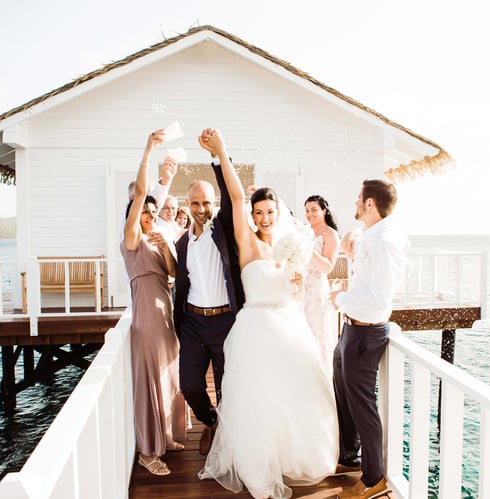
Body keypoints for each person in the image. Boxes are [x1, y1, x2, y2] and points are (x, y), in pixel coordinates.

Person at [197, 128, 338, 499]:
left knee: (295, 393)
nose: (263, 218)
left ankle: (291, 458)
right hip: (255, 328)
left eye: (269, 212)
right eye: (258, 213)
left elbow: (295, 290)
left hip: (288, 324)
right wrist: (223, 151)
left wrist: (294, 278)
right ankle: (259, 466)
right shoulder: (246, 241)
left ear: (279, 213)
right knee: (256, 398)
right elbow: (236, 194)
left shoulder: (290, 246)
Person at [328, 179, 407, 499]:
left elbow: (379, 300)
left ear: (370, 204)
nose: (355, 202)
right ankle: (350, 455)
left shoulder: (384, 241)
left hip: (365, 332)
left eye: (359, 198)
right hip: (350, 329)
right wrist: (353, 240)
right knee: (342, 391)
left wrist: (340, 299)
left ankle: (374, 478)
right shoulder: (371, 235)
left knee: (363, 407)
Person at [120, 129, 188, 476]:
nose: (149, 216)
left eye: (152, 213)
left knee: (169, 375)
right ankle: (148, 451)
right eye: (144, 211)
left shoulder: (157, 239)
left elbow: (174, 273)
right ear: (135, 212)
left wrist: (165, 246)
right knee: (149, 381)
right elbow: (144, 191)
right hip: (146, 315)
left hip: (166, 314)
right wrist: (148, 148)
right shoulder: (131, 241)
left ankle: (168, 434)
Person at [173, 133, 245, 457]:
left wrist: (218, 156)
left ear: (214, 204)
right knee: (189, 384)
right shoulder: (181, 243)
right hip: (193, 324)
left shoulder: (224, 229)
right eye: (195, 203)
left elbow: (233, 195)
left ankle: (227, 433)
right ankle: (209, 421)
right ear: (187, 205)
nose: (201, 208)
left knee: (229, 388)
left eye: (206, 202)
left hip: (227, 322)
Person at [302, 194, 341, 374]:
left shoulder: (330, 234)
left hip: (317, 291)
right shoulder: (305, 231)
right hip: (300, 289)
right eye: (308, 210)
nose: (310, 214)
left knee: (318, 334)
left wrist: (307, 250)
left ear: (324, 210)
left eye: (314, 210)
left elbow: (327, 266)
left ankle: (322, 376)